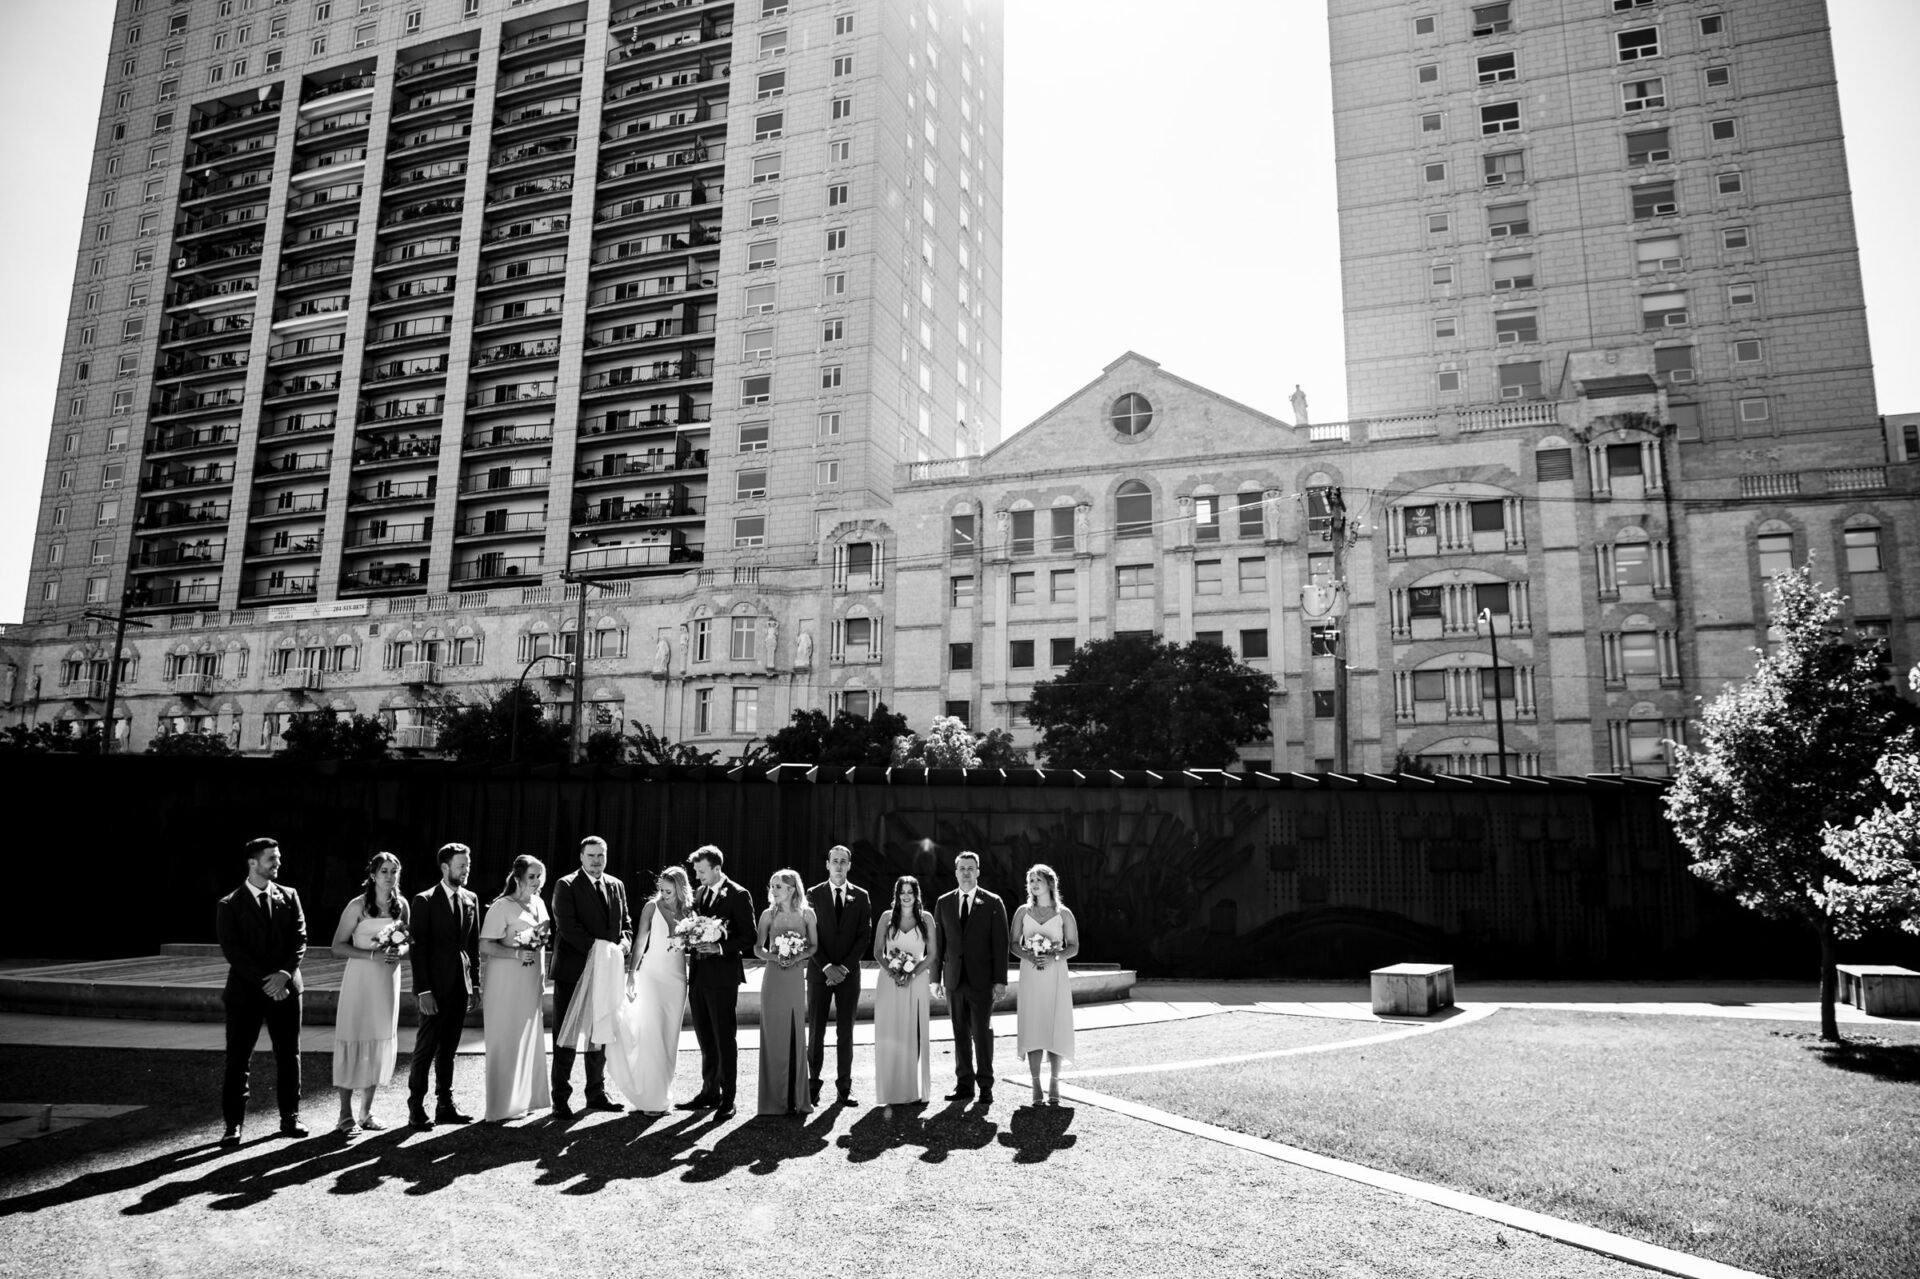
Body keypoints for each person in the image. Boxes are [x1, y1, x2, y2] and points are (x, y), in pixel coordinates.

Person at [215, 837, 309, 1147]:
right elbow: (234, 952)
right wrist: (267, 982)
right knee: (238, 1059)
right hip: (246, 994)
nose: (278, 863)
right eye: (272, 858)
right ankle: (233, 1125)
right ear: (253, 863)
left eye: (278, 857)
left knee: (289, 1056)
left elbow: (300, 939)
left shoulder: (290, 896)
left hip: (287, 989)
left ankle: (290, 1118)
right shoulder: (229, 904)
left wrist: (283, 975)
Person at [549, 835, 633, 1117]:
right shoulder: (566, 885)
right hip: (574, 971)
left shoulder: (616, 885)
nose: (597, 861)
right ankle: (560, 1097)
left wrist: (623, 945)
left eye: (601, 856)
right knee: (566, 1034)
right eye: (591, 856)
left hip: (607, 971)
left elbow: (627, 926)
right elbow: (568, 927)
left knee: (601, 1030)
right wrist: (600, 950)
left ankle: (596, 1093)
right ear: (581, 857)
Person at [329, 852, 409, 1134]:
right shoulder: (357, 906)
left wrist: (399, 950)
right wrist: (371, 955)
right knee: (354, 1036)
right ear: (373, 875)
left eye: (394, 871)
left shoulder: (402, 906)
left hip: (387, 982)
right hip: (360, 979)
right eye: (384, 871)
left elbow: (405, 942)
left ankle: (366, 1112)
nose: (389, 876)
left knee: (378, 1039)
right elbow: (337, 946)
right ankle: (344, 1114)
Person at [406, 841, 480, 1130]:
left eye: (468, 865)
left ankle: (445, 1105)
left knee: (449, 1049)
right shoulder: (424, 900)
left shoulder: (471, 899)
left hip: (460, 988)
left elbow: (471, 948)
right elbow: (418, 949)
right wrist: (423, 990)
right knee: (425, 1049)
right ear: (445, 867)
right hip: (433, 990)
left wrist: (474, 984)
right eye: (462, 865)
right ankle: (416, 1107)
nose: (466, 870)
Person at [679, 844, 756, 1119]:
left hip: (723, 978)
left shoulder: (738, 894)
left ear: (716, 868)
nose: (697, 876)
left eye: (701, 871)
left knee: (724, 1038)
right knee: (704, 1037)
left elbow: (749, 937)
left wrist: (721, 947)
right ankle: (709, 1091)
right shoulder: (700, 893)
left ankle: (728, 1098)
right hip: (699, 976)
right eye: (696, 871)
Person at [932, 851, 1009, 1106]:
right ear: (955, 872)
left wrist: (1000, 981)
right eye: (962, 868)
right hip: (954, 980)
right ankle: (964, 1084)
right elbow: (939, 945)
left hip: (982, 981)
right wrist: (935, 979)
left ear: (978, 871)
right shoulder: (943, 903)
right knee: (959, 1033)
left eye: (970, 868)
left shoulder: (993, 902)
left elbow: (1001, 945)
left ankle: (985, 1085)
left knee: (981, 1033)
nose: (966, 872)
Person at [480, 855, 551, 1123]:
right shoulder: (502, 907)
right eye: (531, 877)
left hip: (530, 981)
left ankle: (524, 1099)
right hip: (506, 980)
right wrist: (515, 955)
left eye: (539, 877)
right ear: (518, 877)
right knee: (505, 1038)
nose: (536, 882)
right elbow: (485, 945)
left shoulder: (539, 903)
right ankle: (501, 1106)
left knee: (526, 1038)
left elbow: (541, 942)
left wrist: (541, 976)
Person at [805, 844, 872, 1106]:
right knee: (816, 1031)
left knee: (846, 1032)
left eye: (844, 861)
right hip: (819, 972)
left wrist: (843, 967)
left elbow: (864, 935)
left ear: (850, 865)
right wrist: (825, 966)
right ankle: (813, 1084)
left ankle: (845, 1087)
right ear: (827, 864)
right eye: (835, 860)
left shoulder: (862, 895)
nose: (839, 865)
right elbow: (808, 934)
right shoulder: (812, 894)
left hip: (848, 974)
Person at [623, 866, 692, 1116]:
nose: (664, 895)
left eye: (670, 891)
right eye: (661, 890)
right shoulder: (651, 907)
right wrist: (632, 973)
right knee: (652, 1032)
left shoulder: (690, 912)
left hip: (677, 978)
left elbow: (693, 945)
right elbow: (640, 940)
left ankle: (663, 1092)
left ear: (681, 889)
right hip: (652, 975)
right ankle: (651, 1097)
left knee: (670, 1035)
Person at [1011, 863, 1079, 1107]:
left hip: (1056, 975)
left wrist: (1054, 955)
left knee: (1055, 1025)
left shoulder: (1064, 914)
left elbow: (1074, 946)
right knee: (1033, 1026)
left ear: (1050, 883)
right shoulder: (1022, 912)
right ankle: (1036, 1083)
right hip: (1030, 975)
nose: (1034, 884)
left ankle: (1054, 1081)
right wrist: (1029, 955)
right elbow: (1013, 944)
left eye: (1038, 879)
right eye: (1030, 880)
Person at [872, 875, 938, 1120]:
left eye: (910, 891)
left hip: (917, 981)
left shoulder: (927, 919)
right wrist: (893, 970)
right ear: (897, 894)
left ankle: (913, 1091)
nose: (906, 895)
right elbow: (878, 951)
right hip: (889, 982)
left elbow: (932, 954)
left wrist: (911, 974)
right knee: (890, 1032)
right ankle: (891, 1090)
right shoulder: (886, 918)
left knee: (914, 1033)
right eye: (902, 891)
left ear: (916, 894)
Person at [753, 868, 817, 1116]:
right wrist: (776, 957)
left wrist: (796, 956)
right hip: (773, 977)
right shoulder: (768, 914)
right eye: (772, 885)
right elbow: (758, 948)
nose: (773, 890)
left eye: (778, 886)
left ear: (792, 889)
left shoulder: (807, 914)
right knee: (773, 1033)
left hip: (794, 978)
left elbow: (813, 946)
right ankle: (772, 1101)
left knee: (794, 1031)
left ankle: (796, 1098)